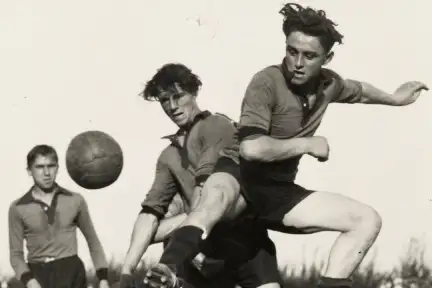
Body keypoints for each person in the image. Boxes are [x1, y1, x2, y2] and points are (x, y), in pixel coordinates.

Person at [226, 3, 428, 288]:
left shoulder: (328, 84)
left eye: (309, 56)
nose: (297, 63)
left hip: (277, 198)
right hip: (239, 197)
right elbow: (251, 148)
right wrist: (306, 144)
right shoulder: (266, 81)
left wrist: (396, 99)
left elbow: (359, 92)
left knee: (366, 220)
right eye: (291, 51)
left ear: (327, 58)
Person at [119, 63, 281, 288]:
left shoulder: (215, 126)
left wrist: (180, 229)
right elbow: (150, 213)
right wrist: (126, 271)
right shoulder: (169, 156)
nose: (173, 106)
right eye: (165, 100)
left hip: (247, 244)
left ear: (194, 92)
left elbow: (203, 196)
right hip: (207, 250)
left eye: (178, 96)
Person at [8, 145, 110, 288]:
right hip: (38, 275)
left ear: (58, 168)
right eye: (39, 167)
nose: (46, 173)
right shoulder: (17, 207)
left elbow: (93, 242)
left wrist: (103, 279)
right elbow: (16, 255)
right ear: (29, 171)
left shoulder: (75, 200)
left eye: (51, 166)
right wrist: (30, 281)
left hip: (72, 272)